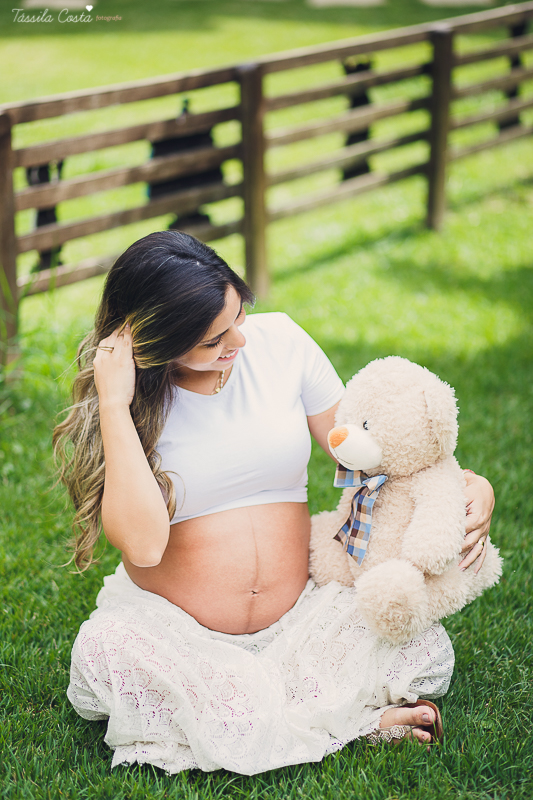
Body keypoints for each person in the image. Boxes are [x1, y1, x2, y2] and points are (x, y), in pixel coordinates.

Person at [54, 231, 494, 775]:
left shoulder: (281, 344)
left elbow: (375, 451)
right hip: (177, 632)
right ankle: (342, 726)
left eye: (239, 314)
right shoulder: (131, 399)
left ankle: (253, 723)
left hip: (302, 613)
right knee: (108, 652)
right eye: (214, 340)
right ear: (160, 345)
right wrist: (116, 404)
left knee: (409, 633)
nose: (239, 340)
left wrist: (470, 484)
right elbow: (143, 545)